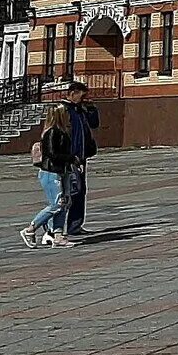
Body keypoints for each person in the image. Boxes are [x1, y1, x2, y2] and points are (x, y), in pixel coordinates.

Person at [21, 104, 75, 248]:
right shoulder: (51, 132)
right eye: (66, 113)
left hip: (61, 171)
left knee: (63, 204)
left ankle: (58, 236)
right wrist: (70, 158)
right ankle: (31, 229)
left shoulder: (62, 131)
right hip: (51, 172)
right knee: (57, 204)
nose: (69, 116)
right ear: (59, 115)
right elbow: (51, 153)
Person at [58, 80, 98, 238]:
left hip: (80, 157)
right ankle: (55, 227)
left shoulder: (80, 110)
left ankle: (75, 225)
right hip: (68, 158)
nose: (84, 99)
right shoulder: (63, 110)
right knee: (69, 192)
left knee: (80, 191)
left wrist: (91, 109)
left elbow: (94, 124)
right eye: (82, 97)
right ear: (73, 94)